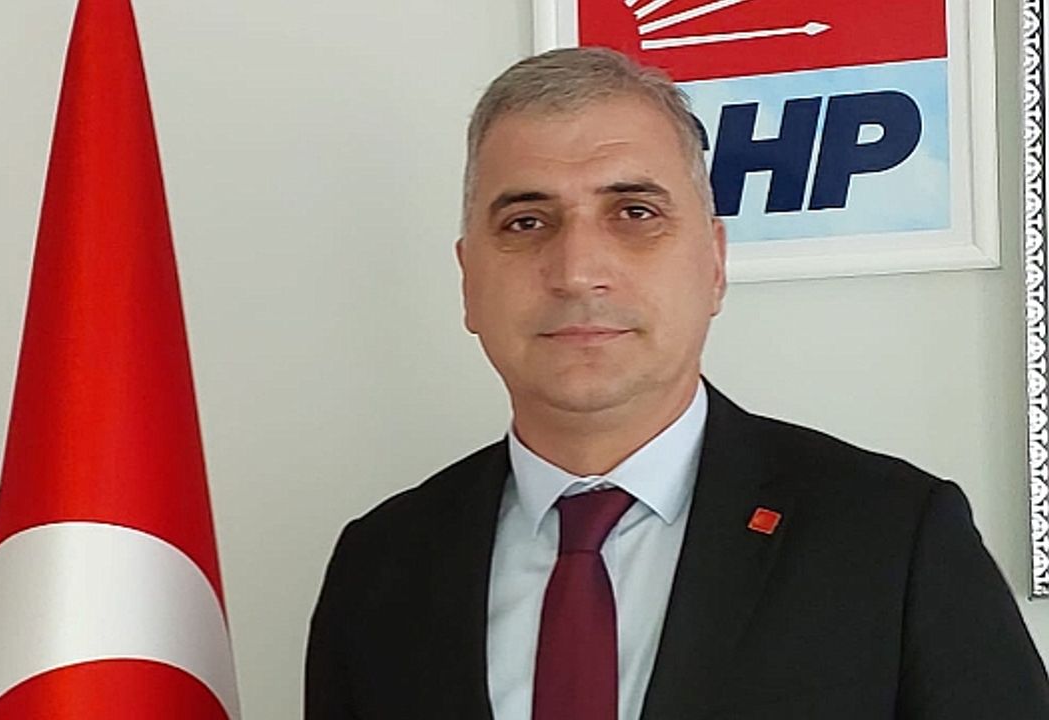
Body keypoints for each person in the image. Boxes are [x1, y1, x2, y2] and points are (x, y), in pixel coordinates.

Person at [304, 47, 1049, 720]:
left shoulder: (896, 539)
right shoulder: (379, 567)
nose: (577, 272)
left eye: (635, 213)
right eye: (527, 223)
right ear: (469, 281)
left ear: (715, 264)